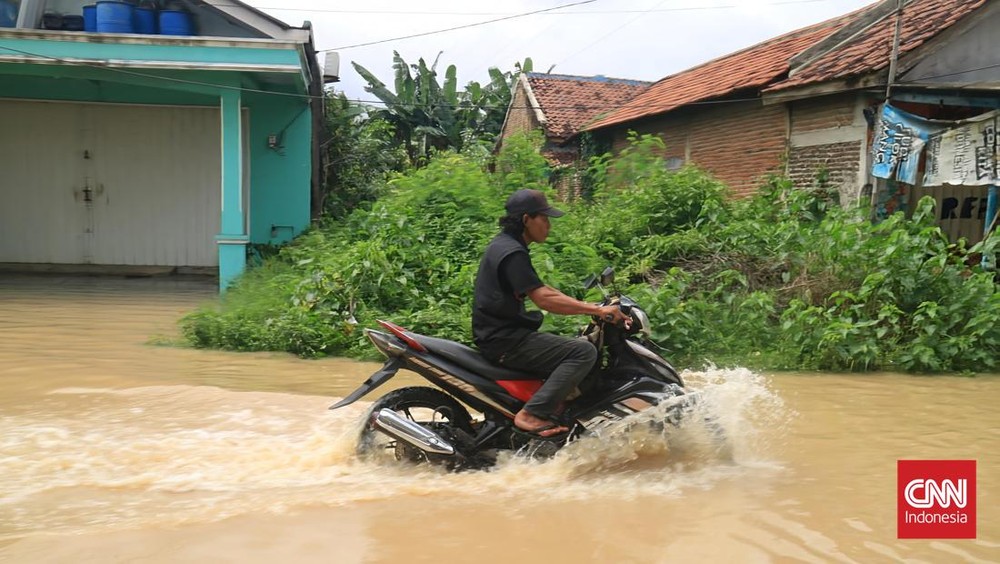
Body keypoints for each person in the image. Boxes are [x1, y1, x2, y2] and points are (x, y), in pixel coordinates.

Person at [472, 189, 631, 438]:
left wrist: (589, 306)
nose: (548, 226)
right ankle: (531, 414)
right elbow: (543, 298)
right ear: (527, 219)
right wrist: (596, 310)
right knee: (583, 351)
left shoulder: (506, 245)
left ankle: (555, 408)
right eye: (544, 219)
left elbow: (542, 288)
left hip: (502, 333)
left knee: (569, 342)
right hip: (505, 339)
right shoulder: (512, 252)